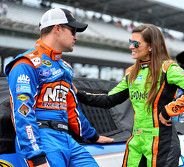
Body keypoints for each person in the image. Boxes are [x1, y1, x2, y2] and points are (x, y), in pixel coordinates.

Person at [75, 24, 184, 167]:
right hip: (136, 141)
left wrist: (168, 111)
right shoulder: (132, 72)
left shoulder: (168, 68)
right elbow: (108, 100)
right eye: (130, 42)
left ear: (151, 46)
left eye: (136, 43)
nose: (131, 46)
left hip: (162, 142)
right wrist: (78, 94)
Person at [5, 8, 113, 167]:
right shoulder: (26, 63)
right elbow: (22, 111)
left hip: (66, 139)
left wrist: (93, 136)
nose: (75, 36)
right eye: (73, 30)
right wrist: (36, 156)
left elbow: (72, 108)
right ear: (57, 28)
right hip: (41, 139)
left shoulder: (65, 68)